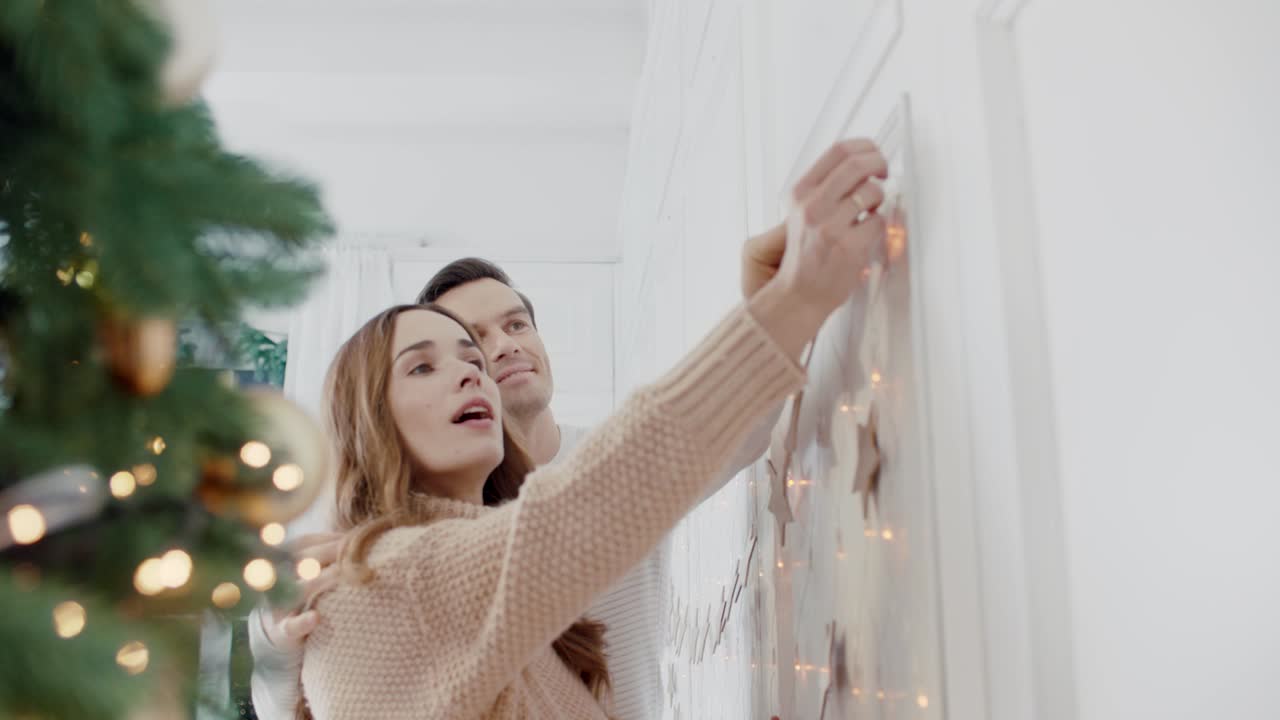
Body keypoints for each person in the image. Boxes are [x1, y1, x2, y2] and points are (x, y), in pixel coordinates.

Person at [261, 138, 888, 718]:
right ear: (371, 422)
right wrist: (794, 298)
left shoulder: (502, 526)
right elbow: (610, 486)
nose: (480, 365)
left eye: (487, 344)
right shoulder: (392, 575)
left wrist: (769, 307)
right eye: (424, 364)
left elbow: (715, 440)